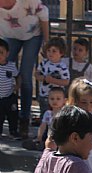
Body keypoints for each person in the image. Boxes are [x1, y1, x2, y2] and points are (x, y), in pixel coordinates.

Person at [0, 0, 49, 138]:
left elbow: (44, 13)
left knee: (25, 76)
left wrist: (46, 41)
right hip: (9, 36)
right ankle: (8, 116)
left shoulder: (28, 1)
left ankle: (24, 119)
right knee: (3, 72)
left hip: (32, 36)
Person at [35, 36, 69, 119]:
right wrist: (42, 78)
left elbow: (66, 81)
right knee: (45, 116)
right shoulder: (44, 63)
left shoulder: (62, 66)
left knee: (57, 116)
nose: (51, 53)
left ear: (61, 53)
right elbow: (37, 74)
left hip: (57, 98)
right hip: (44, 95)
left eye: (54, 51)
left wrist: (53, 80)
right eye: (49, 51)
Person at [0, 38, 19, 138]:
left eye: (1, 52)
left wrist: (17, 85)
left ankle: (13, 131)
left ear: (7, 53)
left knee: (13, 115)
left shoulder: (11, 66)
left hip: (9, 96)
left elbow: (17, 76)